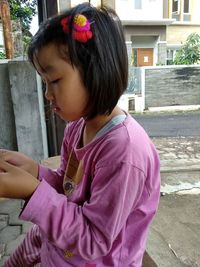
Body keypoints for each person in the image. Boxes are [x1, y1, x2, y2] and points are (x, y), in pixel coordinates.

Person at [0, 3, 160, 267]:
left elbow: (94, 241)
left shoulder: (124, 152)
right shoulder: (77, 127)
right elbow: (67, 188)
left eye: (54, 81)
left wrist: (32, 192)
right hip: (62, 246)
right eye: (44, 83)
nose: (47, 95)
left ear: (94, 70)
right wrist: (35, 173)